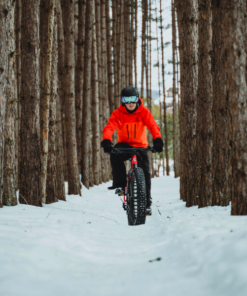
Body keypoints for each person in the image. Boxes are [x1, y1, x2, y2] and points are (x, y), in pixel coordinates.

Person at [101, 86, 163, 213]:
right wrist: (107, 141)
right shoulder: (118, 113)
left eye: (133, 99)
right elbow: (109, 127)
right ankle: (120, 185)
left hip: (140, 146)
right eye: (127, 100)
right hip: (124, 145)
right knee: (115, 154)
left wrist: (157, 140)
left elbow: (153, 126)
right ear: (123, 101)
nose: (130, 103)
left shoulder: (144, 112)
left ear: (137, 99)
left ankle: (146, 204)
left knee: (145, 172)